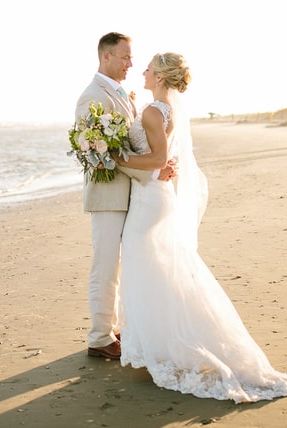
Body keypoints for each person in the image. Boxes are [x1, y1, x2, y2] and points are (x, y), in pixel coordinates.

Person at [116, 52, 287, 402]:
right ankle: (159, 342)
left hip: (149, 199)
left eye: (148, 68)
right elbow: (164, 158)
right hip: (158, 194)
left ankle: (164, 346)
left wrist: (115, 158)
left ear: (159, 76)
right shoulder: (162, 109)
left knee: (145, 270)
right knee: (159, 271)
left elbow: (158, 159)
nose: (142, 71)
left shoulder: (153, 112)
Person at [74, 32, 175, 360]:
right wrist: (152, 169)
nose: (131, 63)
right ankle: (99, 337)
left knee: (121, 265)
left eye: (132, 58)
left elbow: (131, 145)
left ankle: (114, 326)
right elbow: (100, 153)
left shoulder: (120, 95)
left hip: (131, 193)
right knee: (105, 267)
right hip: (107, 196)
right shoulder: (93, 97)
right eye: (125, 57)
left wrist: (158, 165)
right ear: (106, 57)